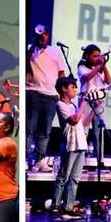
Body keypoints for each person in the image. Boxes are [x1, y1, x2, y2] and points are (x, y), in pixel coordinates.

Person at [25, 25, 66, 172]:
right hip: (33, 92)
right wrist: (34, 45)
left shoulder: (54, 52)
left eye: (45, 34)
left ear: (48, 35)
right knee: (29, 128)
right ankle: (25, 158)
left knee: (45, 130)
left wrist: (62, 93)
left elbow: (61, 73)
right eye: (41, 34)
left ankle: (40, 159)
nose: (43, 36)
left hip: (51, 96)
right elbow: (24, 64)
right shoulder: (30, 49)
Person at [52, 76, 94, 217]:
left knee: (75, 178)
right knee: (64, 176)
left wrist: (94, 109)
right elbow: (74, 120)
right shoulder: (61, 105)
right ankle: (56, 205)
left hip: (81, 144)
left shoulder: (74, 106)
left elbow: (83, 122)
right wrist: (83, 103)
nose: (76, 90)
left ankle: (68, 206)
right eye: (73, 87)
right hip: (70, 144)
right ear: (64, 89)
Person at [78, 44, 111, 165]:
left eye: (99, 56)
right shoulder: (82, 67)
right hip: (86, 101)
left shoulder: (99, 69)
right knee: (84, 130)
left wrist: (104, 66)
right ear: (87, 56)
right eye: (95, 56)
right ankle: (80, 161)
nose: (97, 58)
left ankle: (100, 161)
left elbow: (108, 82)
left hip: (98, 102)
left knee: (99, 132)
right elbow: (87, 77)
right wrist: (99, 66)